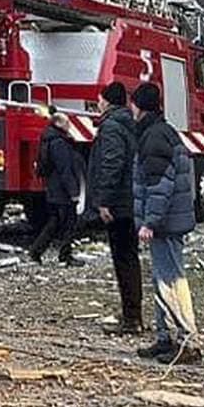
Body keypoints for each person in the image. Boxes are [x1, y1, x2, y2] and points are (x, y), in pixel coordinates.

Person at [132, 81, 199, 366]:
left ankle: (187, 341)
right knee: (162, 278)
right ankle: (165, 337)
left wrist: (150, 221)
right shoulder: (163, 131)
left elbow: (159, 184)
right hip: (171, 220)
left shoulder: (154, 137)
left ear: (139, 106)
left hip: (165, 224)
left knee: (171, 280)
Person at [88, 80, 144, 335]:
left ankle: (131, 317)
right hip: (130, 200)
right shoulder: (129, 123)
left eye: (100, 99)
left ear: (107, 101)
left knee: (123, 259)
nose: (98, 103)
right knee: (130, 257)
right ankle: (133, 312)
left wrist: (104, 200)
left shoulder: (111, 127)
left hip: (119, 204)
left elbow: (112, 163)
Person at [28, 110, 84, 266]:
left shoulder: (49, 139)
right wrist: (73, 191)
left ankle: (36, 251)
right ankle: (64, 254)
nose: (69, 125)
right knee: (69, 222)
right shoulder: (59, 142)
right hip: (62, 190)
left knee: (55, 221)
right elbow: (65, 168)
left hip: (54, 188)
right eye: (66, 122)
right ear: (58, 123)